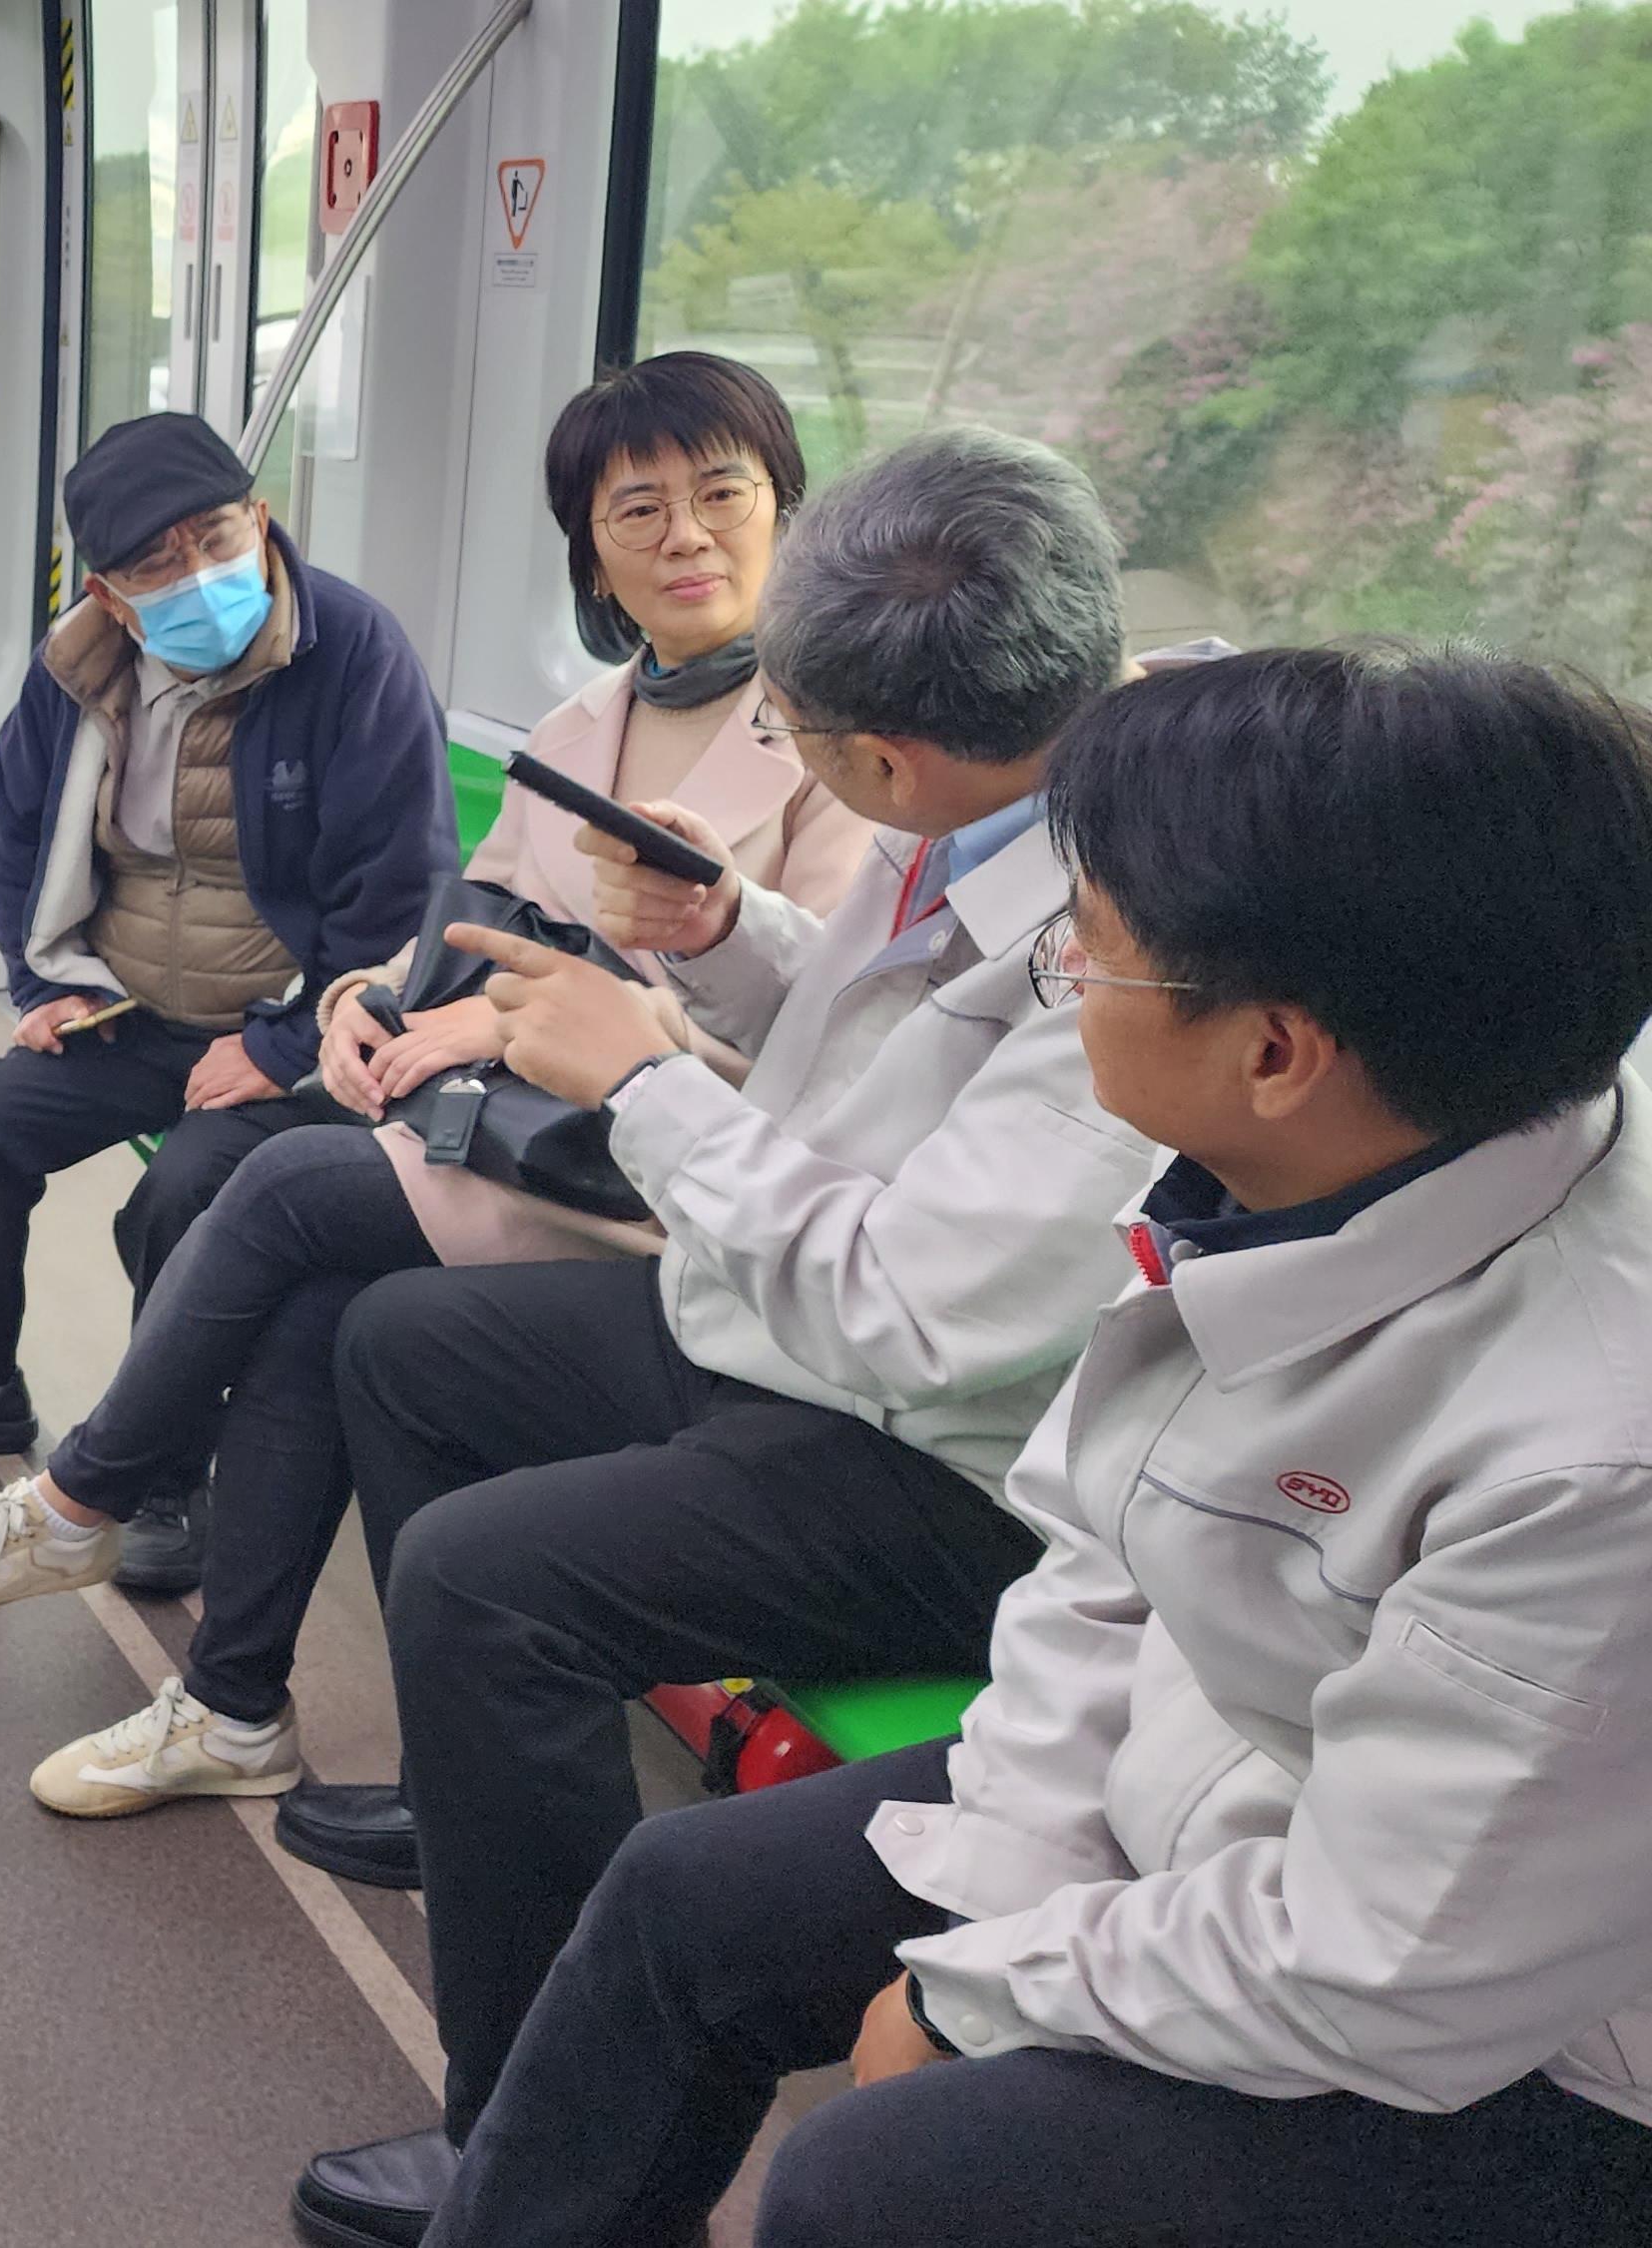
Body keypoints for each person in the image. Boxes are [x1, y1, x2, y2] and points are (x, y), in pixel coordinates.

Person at [427, 645, 1652, 2248]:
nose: (1057, 965)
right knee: (681, 1906)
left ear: (1277, 1049)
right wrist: (1008, 1882)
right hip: (1219, 1785)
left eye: (1094, 941)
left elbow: (1392, 1967)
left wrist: (968, 2002)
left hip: (1528, 2043)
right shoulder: (1293, 1160)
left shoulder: (1590, 1451)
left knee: (882, 2184)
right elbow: (1105, 1549)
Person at [282, 425, 1167, 2248]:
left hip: (937, 1458)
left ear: (882, 760)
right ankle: (497, 1817)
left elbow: (923, 1313)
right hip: (792, 1328)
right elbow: (878, 1064)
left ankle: (520, 2106)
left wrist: (637, 1081)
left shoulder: (1130, 932)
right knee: (405, 1343)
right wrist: (734, 930)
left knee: (482, 1574)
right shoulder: (976, 817)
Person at [0, 354, 876, 1827]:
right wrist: (360, 1009)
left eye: (723, 495)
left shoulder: (848, 752)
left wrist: (519, 1027)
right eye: (637, 508)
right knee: (321, 1303)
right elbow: (465, 929)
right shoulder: (587, 727)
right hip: (533, 1137)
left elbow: (826, 1037)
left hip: (691, 1182)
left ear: (787, 509)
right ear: (590, 549)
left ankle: (87, 1497)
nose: (685, 538)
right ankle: (231, 1704)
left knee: (275, 1188)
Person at [0, 408, 452, 1476]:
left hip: (293, 1032)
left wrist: (282, 1049)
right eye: (156, 562)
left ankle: (168, 1470)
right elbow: (17, 829)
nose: (196, 574)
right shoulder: (77, 669)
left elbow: (398, 896)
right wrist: (35, 986)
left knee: (183, 1196)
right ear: (108, 593)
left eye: (212, 538)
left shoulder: (354, 652)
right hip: (132, 1009)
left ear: (260, 518)